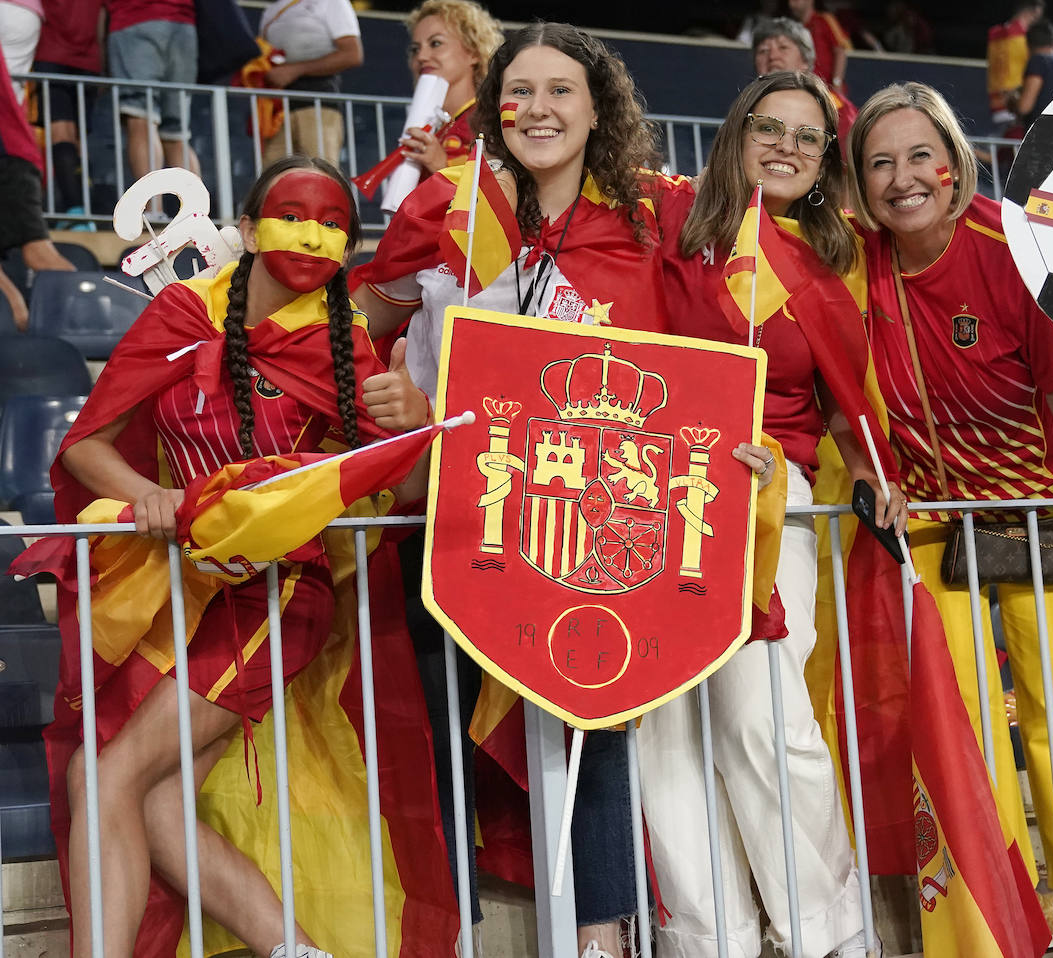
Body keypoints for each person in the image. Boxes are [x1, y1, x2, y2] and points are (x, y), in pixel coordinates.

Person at [42, 156, 453, 958]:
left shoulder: (345, 350)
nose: (311, 233)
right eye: (293, 213)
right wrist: (145, 498)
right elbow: (87, 445)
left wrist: (418, 417)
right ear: (247, 228)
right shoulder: (180, 313)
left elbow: (409, 492)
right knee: (155, 805)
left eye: (333, 223)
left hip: (275, 599)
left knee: (102, 777)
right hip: (179, 595)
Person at [352, 23, 686, 958]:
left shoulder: (652, 219)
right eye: (520, 91)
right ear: (494, 108)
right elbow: (401, 347)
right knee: (481, 737)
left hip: (604, 523)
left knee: (596, 723)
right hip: (481, 519)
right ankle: (496, 934)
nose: (538, 108)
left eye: (561, 91)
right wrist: (407, 404)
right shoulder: (478, 227)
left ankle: (603, 941)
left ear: (597, 107)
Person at [846, 80, 1053, 952]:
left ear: (954, 162)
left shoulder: (1009, 245)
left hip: (1038, 513)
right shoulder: (855, 263)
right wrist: (871, 478)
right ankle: (1002, 897)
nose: (902, 178)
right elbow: (840, 398)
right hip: (932, 524)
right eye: (879, 162)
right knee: (965, 720)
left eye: (918, 156)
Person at [638, 70, 902, 958]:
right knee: (666, 734)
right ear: (735, 133)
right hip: (652, 497)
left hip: (767, 505)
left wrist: (869, 470)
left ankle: (828, 934)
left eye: (808, 136)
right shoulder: (671, 232)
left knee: (763, 721)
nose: (787, 146)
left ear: (826, 160)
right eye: (770, 127)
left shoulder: (830, 266)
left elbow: (843, 406)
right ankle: (712, 940)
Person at [0, 50, 74, 323]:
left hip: (9, 158)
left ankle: (90, 319)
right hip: (13, 155)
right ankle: (21, 323)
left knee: (39, 255)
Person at [396, 0, 502, 176]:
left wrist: (441, 166)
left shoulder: (492, 120)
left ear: (473, 52)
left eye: (435, 43)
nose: (421, 56)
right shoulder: (425, 124)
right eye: (415, 49)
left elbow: (496, 194)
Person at [106, 0, 201, 193]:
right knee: (177, 133)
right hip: (183, 25)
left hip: (134, 19)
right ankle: (196, 216)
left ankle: (153, 214)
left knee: (142, 120)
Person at [257, 0, 364, 165]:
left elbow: (352, 54)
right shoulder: (270, 10)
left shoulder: (332, 2)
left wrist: (294, 70)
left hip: (318, 105)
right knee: (274, 182)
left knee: (320, 176)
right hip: (277, 112)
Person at [28, 0, 101, 225]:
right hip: (90, 60)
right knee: (79, 139)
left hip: (52, 54)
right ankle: (84, 210)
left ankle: (76, 211)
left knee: (62, 134)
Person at [752, 17, 856, 147]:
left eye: (783, 48)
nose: (773, 56)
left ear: (805, 61)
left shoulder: (834, 107)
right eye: (764, 51)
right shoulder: (748, 108)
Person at [987, 0, 1044, 126]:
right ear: (1032, 12)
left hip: (996, 104)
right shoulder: (1023, 39)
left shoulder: (995, 33)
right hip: (1015, 105)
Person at [1017, 17, 1053, 125]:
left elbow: (1024, 107)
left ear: (1028, 45)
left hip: (1040, 135)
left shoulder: (1038, 61)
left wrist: (1013, 101)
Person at [787, 0, 849, 93]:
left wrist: (837, 82)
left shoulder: (825, 20)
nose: (793, 2)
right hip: (803, 87)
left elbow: (840, 51)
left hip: (828, 89)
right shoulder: (789, 27)